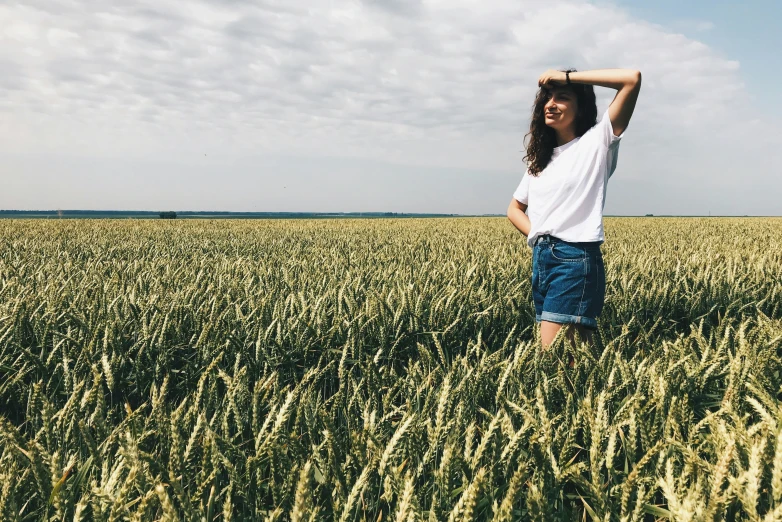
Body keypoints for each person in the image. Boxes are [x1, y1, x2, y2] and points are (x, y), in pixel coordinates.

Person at [507, 68, 642, 351]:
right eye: (547, 98)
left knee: (553, 355)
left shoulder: (597, 142)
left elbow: (631, 79)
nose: (550, 104)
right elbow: (514, 209)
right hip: (543, 259)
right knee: (575, 357)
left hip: (575, 259)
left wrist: (569, 77)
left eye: (562, 97)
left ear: (580, 107)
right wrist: (542, 234)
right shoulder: (538, 161)